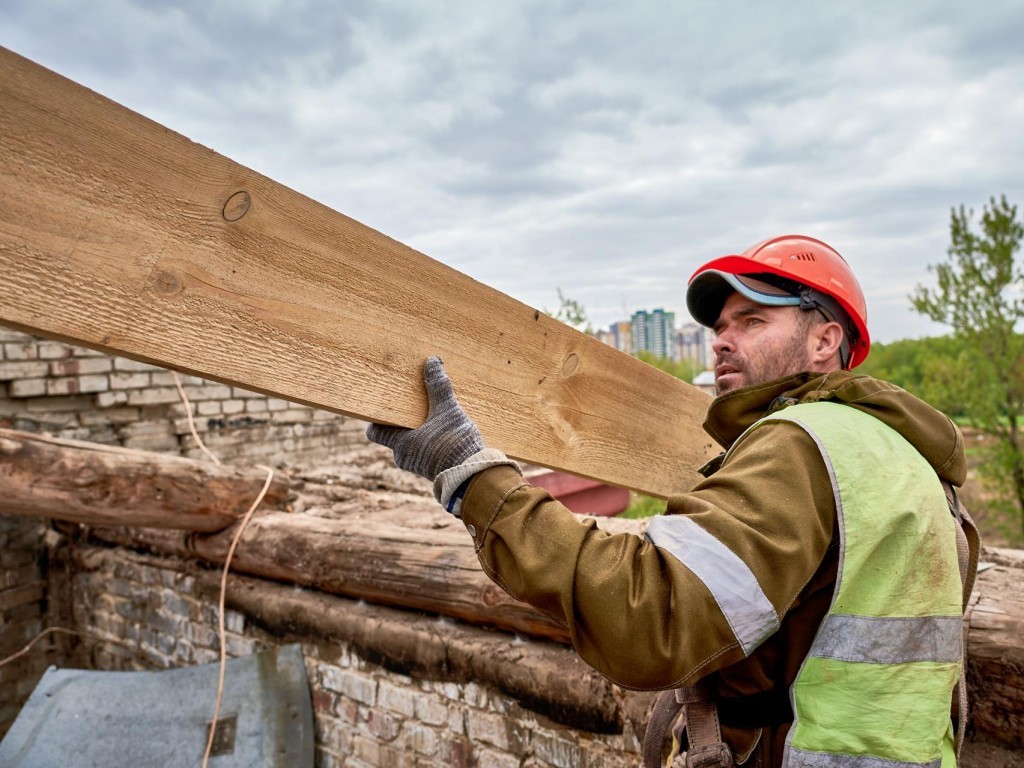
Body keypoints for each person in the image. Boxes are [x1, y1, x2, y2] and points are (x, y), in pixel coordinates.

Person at [367, 235, 978, 768]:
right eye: (720, 329)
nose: (721, 342)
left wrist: (471, 475)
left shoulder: (800, 444)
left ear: (825, 341)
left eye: (753, 321)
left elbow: (650, 614)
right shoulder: (901, 456)